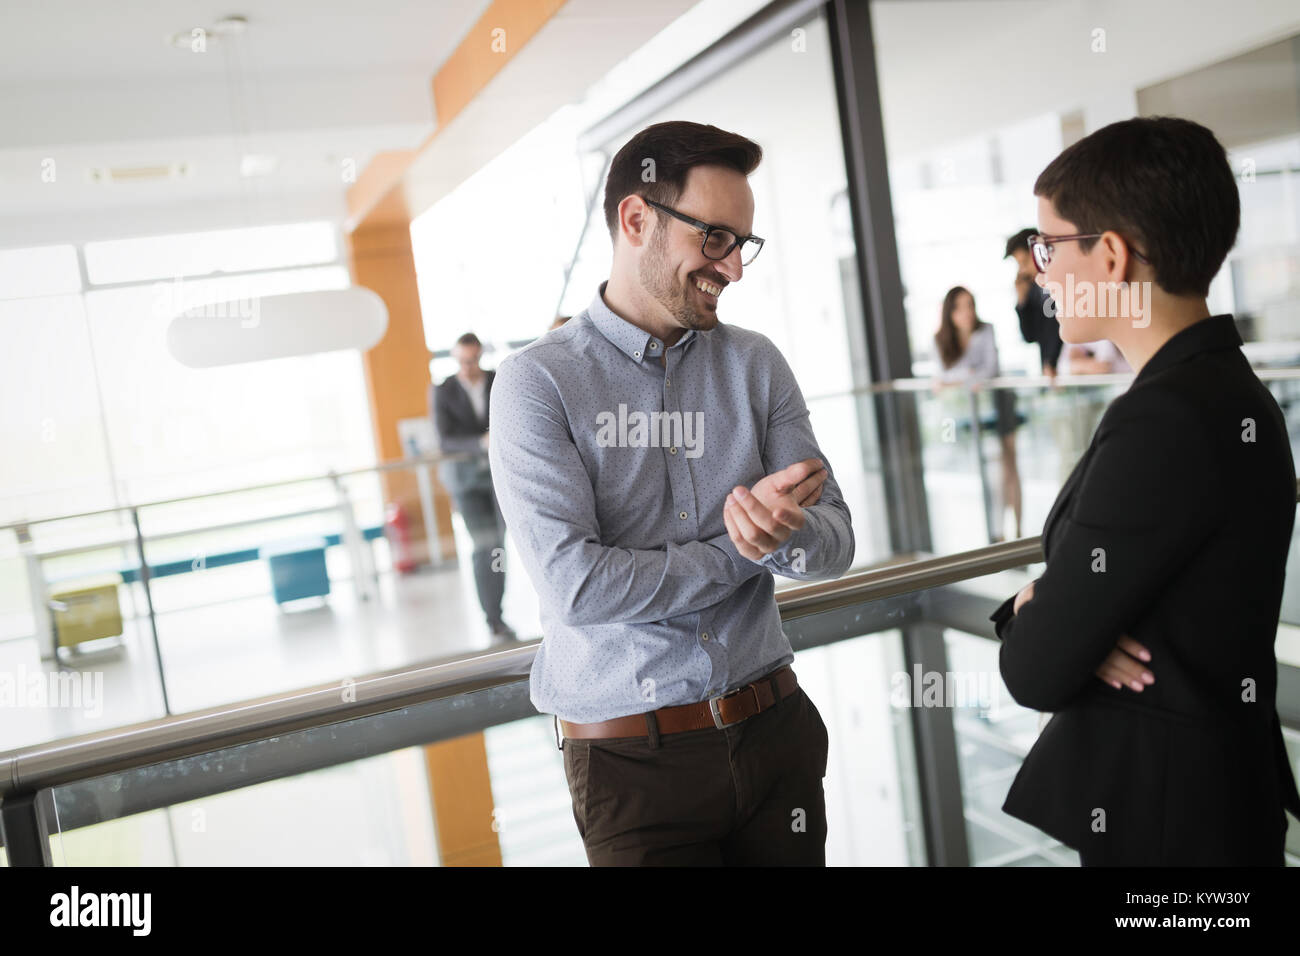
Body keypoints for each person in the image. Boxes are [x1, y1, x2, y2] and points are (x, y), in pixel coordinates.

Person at [488, 120, 855, 865]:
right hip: (633, 772)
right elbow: (578, 588)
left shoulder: (757, 365)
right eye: (715, 238)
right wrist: (748, 551)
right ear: (636, 219)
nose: (735, 268)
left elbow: (836, 541)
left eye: (742, 244)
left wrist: (794, 538)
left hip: (775, 732)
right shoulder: (538, 383)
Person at [990, 115, 1300, 865]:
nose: (1041, 272)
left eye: (1049, 246)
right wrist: (1063, 617)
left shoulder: (1164, 418)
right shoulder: (1227, 389)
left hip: (1172, 834)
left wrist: (1045, 609)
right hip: (1213, 805)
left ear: (1113, 256)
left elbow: (1035, 670)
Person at [430, 332, 516, 641]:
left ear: (480, 356)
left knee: (497, 545)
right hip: (466, 482)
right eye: (463, 361)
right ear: (455, 359)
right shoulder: (443, 391)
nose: (469, 367)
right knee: (483, 546)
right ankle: (493, 618)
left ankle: (498, 613)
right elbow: (444, 439)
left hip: (498, 479)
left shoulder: (497, 380)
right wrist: (481, 441)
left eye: (473, 360)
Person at [933, 286, 1023, 540]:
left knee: (1010, 465)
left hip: (998, 401)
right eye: (960, 307)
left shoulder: (986, 331)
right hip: (971, 408)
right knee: (989, 467)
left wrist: (958, 377)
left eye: (970, 305)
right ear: (950, 312)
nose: (967, 312)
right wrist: (968, 376)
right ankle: (995, 532)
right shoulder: (940, 339)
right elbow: (941, 376)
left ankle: (1016, 530)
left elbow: (989, 370)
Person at [1006, 227, 1062, 379]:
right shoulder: (1032, 291)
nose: (1022, 271)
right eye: (1019, 265)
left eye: (1024, 262)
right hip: (1050, 372)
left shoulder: (1062, 280)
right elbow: (1030, 336)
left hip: (1069, 365)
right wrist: (1022, 301)